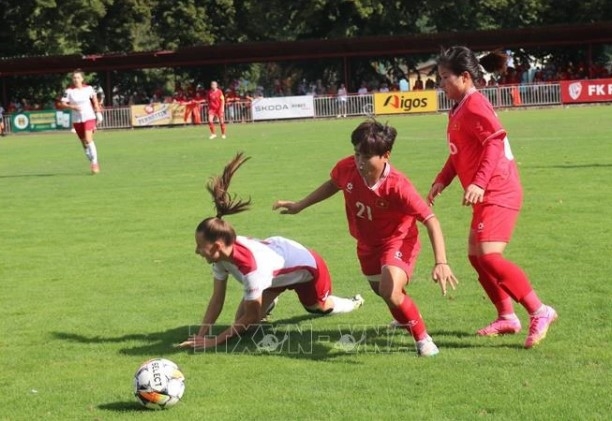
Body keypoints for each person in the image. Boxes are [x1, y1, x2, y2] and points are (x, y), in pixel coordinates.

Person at [273, 121, 458, 357]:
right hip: (367, 243)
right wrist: (300, 205)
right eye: (357, 153)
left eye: (367, 156)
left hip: (398, 240)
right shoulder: (348, 167)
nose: (360, 161)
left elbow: (431, 220)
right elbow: (333, 184)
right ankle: (404, 318)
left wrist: (441, 262)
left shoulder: (398, 186)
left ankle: (423, 340)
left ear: (386, 156)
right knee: (383, 291)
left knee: (390, 291)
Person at [429, 46, 557, 349]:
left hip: (500, 188)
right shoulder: (459, 107)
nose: (441, 85)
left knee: (488, 255)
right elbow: (460, 153)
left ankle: (540, 311)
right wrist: (442, 180)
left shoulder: (475, 105)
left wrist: (480, 183)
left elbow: (494, 143)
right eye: (439, 79)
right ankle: (507, 317)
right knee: (477, 258)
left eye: (445, 78)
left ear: (464, 77)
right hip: (486, 190)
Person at [179, 153, 365, 350]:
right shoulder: (222, 255)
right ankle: (270, 296)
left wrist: (214, 341)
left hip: (308, 270)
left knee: (318, 307)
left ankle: (353, 302)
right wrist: (200, 335)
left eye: (200, 246)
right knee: (245, 326)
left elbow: (249, 316)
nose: (197, 251)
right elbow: (217, 299)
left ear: (217, 246)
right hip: (274, 271)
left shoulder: (251, 269)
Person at [57, 69, 103, 174]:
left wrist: (98, 112)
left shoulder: (89, 89)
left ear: (82, 78)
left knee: (88, 139)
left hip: (89, 116)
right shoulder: (69, 91)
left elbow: (95, 100)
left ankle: (95, 163)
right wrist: (72, 106)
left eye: (78, 77)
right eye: (74, 78)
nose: (76, 79)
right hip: (77, 119)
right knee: (84, 143)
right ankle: (91, 159)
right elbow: (62, 104)